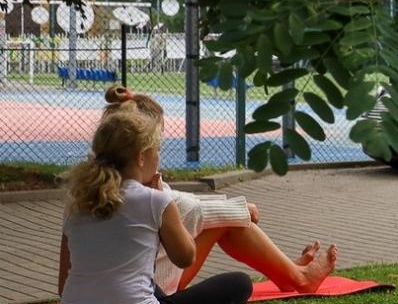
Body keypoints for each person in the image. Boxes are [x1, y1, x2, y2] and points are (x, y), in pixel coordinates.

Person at [100, 87, 336, 293]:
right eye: (157, 145)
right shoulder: (145, 193)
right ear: (141, 153)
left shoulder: (95, 183)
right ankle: (298, 278)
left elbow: (176, 201)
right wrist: (238, 210)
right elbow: (184, 210)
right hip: (148, 290)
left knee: (224, 216)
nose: (160, 153)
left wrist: (231, 207)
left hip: (113, 291)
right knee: (225, 222)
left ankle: (287, 272)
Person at [58, 110, 256, 304]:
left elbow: (63, 284)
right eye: (158, 150)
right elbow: (186, 257)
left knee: (142, 282)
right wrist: (165, 210)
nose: (159, 157)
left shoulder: (76, 203)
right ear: (141, 157)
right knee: (240, 283)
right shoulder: (154, 200)